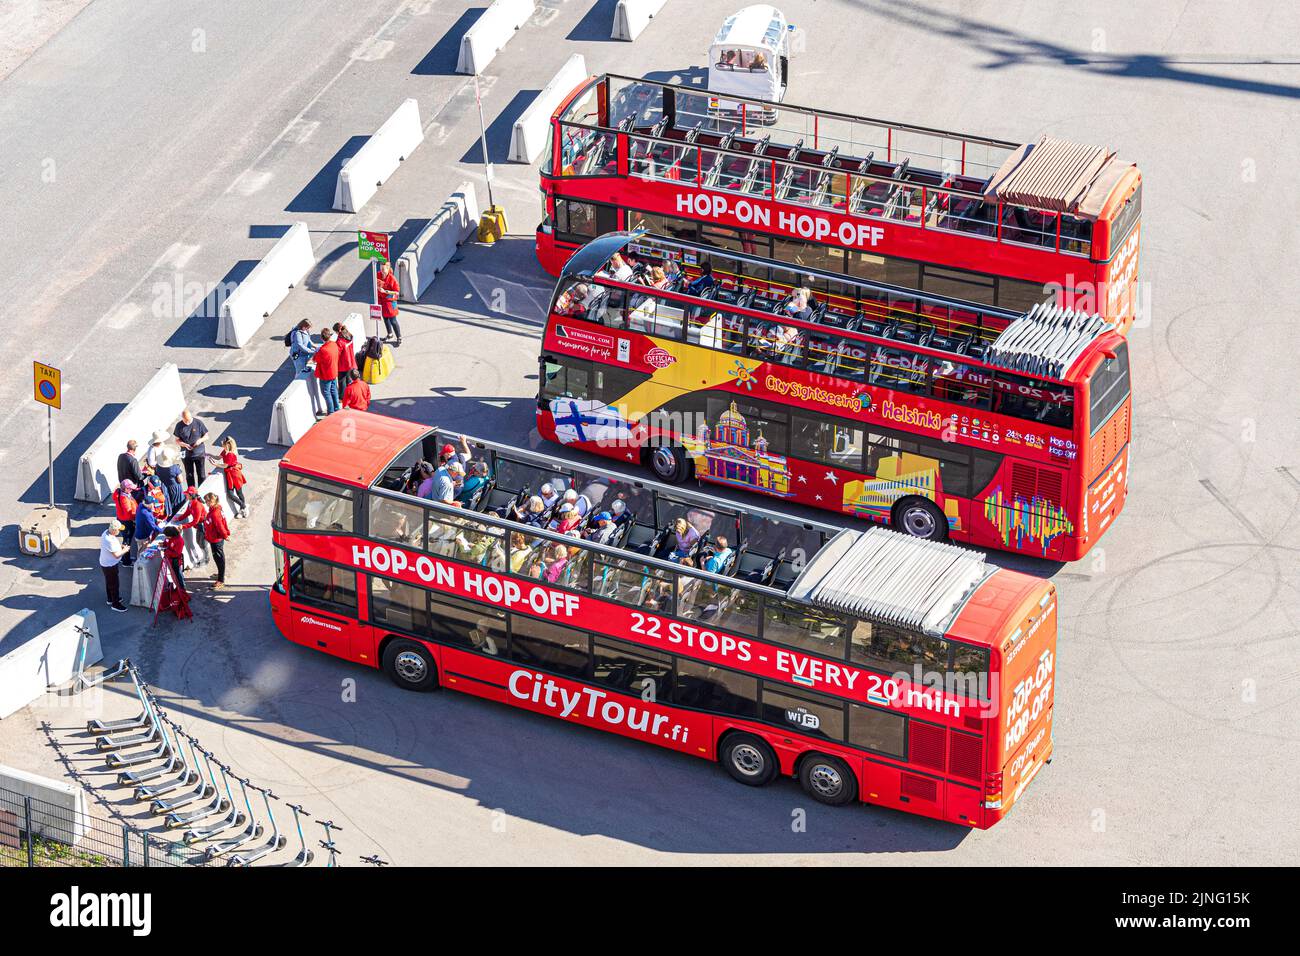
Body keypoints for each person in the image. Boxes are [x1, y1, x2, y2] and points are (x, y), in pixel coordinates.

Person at [173, 409, 210, 487]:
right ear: (182, 418)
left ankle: (201, 491)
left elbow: (206, 436)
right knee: (189, 476)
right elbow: (177, 440)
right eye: (185, 421)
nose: (187, 422)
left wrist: (200, 440)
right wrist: (184, 444)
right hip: (186, 455)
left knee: (201, 475)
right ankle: (192, 493)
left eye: (189, 420)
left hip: (199, 454)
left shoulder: (198, 423)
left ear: (191, 416)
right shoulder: (179, 426)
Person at [213, 437, 248, 518]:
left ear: (227, 445)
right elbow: (218, 457)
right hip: (230, 474)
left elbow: (225, 465)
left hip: (235, 474)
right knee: (231, 494)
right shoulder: (225, 451)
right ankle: (243, 507)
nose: (222, 446)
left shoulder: (230, 454)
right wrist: (209, 455)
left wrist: (216, 464)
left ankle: (242, 508)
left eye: (223, 445)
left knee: (238, 493)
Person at [202, 493, 231, 589]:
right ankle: (220, 574)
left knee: (219, 559)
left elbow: (220, 526)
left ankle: (221, 580)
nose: (206, 503)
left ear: (212, 501)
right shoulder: (215, 509)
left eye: (207, 501)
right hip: (213, 538)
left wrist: (225, 535)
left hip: (216, 540)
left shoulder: (215, 513)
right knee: (218, 559)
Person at [99, 521, 129, 613]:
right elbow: (117, 555)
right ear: (114, 530)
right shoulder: (109, 540)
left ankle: (110, 599)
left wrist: (120, 546)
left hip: (107, 563)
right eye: (119, 530)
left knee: (109, 582)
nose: (120, 532)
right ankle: (115, 604)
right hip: (110, 565)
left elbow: (113, 548)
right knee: (114, 584)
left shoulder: (106, 533)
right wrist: (125, 550)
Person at [314, 328, 341, 415]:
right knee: (334, 391)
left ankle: (331, 411)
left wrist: (317, 351)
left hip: (326, 375)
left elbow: (315, 359)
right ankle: (336, 408)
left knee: (326, 393)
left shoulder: (323, 350)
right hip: (334, 372)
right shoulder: (334, 344)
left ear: (322, 338)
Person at [113, 481, 139, 566]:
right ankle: (126, 561)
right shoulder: (124, 498)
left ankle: (123, 557)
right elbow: (129, 513)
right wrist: (135, 518)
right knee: (127, 541)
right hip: (127, 522)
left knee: (125, 539)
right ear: (126, 488)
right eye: (130, 488)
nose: (132, 490)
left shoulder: (119, 492)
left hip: (121, 519)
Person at [377, 260, 402, 346]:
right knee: (385, 319)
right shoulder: (378, 275)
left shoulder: (392, 279)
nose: (382, 271)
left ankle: (399, 337)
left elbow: (397, 292)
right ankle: (390, 334)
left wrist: (385, 291)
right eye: (381, 269)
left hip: (390, 302)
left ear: (388, 269)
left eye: (384, 270)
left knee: (393, 321)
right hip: (382, 301)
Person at [157, 450, 186, 516]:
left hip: (164, 487)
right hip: (175, 488)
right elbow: (180, 480)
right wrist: (179, 470)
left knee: (169, 502)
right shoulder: (174, 467)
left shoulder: (158, 466)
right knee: (178, 503)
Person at [333, 323, 357, 396]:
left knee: (341, 380)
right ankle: (350, 394)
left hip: (343, 364)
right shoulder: (349, 336)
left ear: (337, 331)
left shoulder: (340, 341)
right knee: (349, 379)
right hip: (351, 361)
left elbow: (337, 353)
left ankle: (342, 397)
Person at [162, 526, 186, 592]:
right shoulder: (170, 538)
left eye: (167, 536)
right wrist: (163, 545)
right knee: (173, 575)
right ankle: (177, 587)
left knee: (178, 575)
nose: (166, 537)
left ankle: (182, 589)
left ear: (172, 534)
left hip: (176, 561)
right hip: (170, 559)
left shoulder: (179, 541)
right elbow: (166, 542)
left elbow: (176, 553)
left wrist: (166, 551)